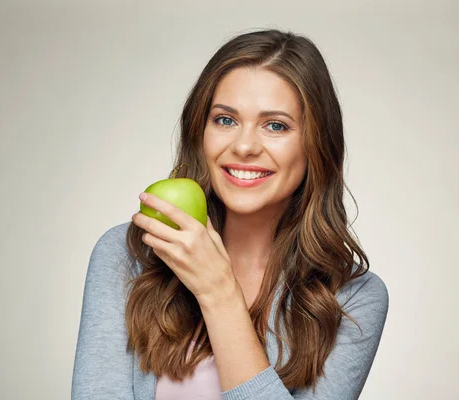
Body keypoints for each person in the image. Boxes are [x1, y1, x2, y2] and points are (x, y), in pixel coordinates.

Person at [71, 29, 389, 400]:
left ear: (316, 144)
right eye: (225, 120)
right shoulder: (130, 255)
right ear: (200, 131)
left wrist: (219, 294)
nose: (243, 146)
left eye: (276, 125)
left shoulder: (353, 300)